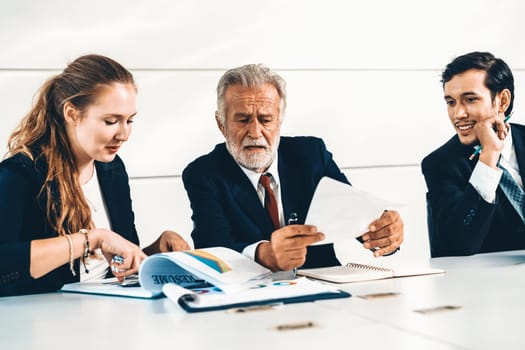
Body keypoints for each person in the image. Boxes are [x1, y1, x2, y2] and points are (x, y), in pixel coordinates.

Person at [0, 54, 189, 297]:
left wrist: (155, 252)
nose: (124, 134)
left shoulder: (111, 170)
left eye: (129, 120)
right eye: (111, 121)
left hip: (108, 314)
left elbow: (113, 263)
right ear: (71, 114)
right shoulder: (20, 175)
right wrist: (92, 239)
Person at [182, 64, 403, 271]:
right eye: (242, 120)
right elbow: (211, 249)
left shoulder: (311, 155)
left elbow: (356, 218)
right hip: (251, 301)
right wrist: (265, 254)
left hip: (323, 292)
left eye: (265, 119)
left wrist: (384, 231)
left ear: (279, 120)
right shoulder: (203, 173)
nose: (255, 132)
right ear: (221, 124)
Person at [422, 51, 525, 257]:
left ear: (502, 101)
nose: (458, 114)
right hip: (488, 285)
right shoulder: (440, 164)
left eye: (470, 99)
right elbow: (458, 245)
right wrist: (488, 158)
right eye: (451, 102)